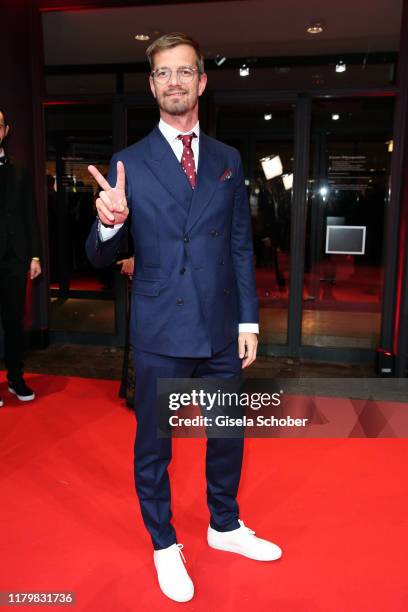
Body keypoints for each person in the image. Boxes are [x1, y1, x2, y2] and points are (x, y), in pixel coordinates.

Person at [86, 33, 282, 603]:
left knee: (227, 435)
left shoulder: (227, 159)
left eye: (184, 71)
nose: (174, 81)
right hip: (160, 329)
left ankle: (224, 525)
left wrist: (249, 322)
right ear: (152, 87)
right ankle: (164, 543)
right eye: (163, 73)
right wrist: (108, 223)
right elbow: (99, 255)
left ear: (201, 81)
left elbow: (240, 247)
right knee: (155, 444)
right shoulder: (128, 163)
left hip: (221, 328)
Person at [0, 110, 42, 406]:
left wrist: (35, 255)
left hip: (15, 258)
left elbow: (30, 214)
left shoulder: (19, 169)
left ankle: (16, 378)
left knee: (13, 321)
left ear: (5, 130)